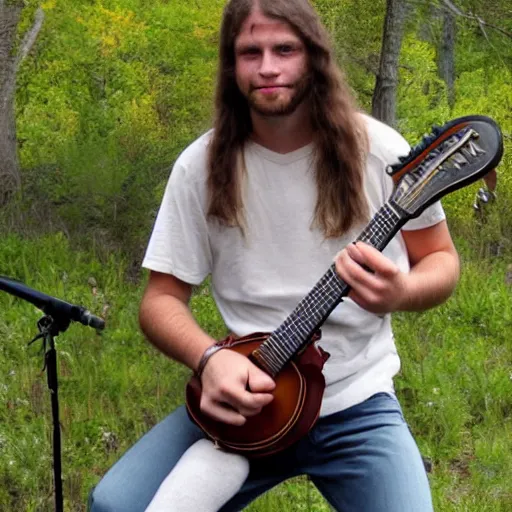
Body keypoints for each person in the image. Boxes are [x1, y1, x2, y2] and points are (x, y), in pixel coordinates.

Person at [88, 0, 461, 510]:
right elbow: (159, 301)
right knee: (115, 505)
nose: (268, 67)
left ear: (313, 57)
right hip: (247, 401)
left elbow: (440, 259)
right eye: (250, 52)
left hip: (357, 404)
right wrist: (210, 359)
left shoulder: (377, 149)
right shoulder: (200, 166)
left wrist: (403, 290)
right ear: (231, 64)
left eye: (285, 49)